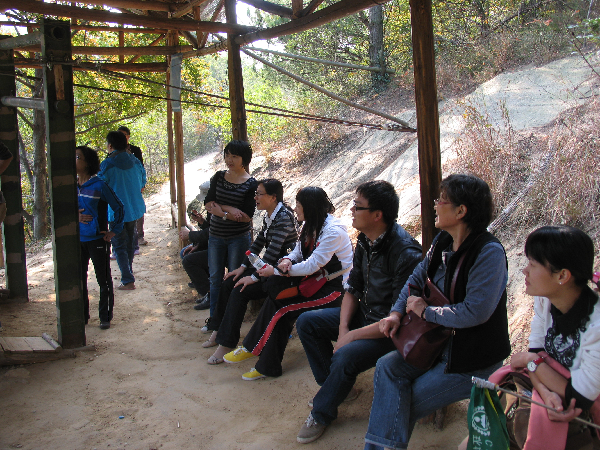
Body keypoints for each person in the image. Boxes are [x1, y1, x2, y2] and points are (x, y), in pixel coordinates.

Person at [364, 173, 511, 450]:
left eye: (441, 200)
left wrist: (426, 312)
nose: (435, 205)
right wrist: (396, 313)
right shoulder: (443, 241)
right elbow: (416, 279)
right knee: (387, 367)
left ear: (461, 211)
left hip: (470, 360)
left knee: (400, 404)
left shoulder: (488, 253)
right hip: (435, 345)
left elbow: (475, 312)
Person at [295, 180, 423, 443]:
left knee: (345, 356)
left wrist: (351, 337)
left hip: (389, 331)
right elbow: (352, 288)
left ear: (377, 215)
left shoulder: (406, 253)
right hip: (366, 315)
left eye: (357, 206)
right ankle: (334, 387)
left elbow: (397, 317)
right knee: (307, 322)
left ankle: (321, 412)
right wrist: (344, 329)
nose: (351, 210)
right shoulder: (365, 239)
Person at [221, 186, 354, 381]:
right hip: (315, 283)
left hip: (333, 290)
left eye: (299, 205)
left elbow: (312, 265)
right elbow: (298, 252)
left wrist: (276, 270)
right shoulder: (311, 223)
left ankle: (251, 348)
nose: (295, 209)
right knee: (277, 299)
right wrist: (287, 260)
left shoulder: (333, 232)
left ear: (310, 207)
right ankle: (268, 366)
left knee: (283, 309)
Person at [505, 225, 600, 448]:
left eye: (533, 264)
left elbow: (579, 398)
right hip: (553, 398)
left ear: (562, 275)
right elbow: (537, 354)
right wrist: (546, 392)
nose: (524, 271)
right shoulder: (545, 300)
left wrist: (530, 361)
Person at [205, 178, 298, 361]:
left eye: (259, 194)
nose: (255, 197)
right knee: (229, 281)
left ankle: (226, 343)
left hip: (281, 274)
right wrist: (242, 267)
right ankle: (217, 329)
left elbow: (271, 254)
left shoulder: (283, 217)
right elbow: (258, 244)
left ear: (273, 197)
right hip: (268, 269)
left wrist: (253, 277)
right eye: (255, 193)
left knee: (240, 289)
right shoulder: (270, 215)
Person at [203, 140, 258, 333]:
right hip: (215, 236)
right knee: (215, 278)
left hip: (238, 238)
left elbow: (246, 217)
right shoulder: (218, 177)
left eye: (234, 156)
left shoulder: (251, 184)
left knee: (233, 279)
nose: (229, 160)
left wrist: (221, 211)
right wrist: (226, 211)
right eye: (227, 155)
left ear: (244, 159)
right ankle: (214, 321)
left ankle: (228, 324)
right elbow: (208, 203)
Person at [76, 145, 124, 330]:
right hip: (78, 240)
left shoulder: (99, 185)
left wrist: (113, 231)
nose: (74, 161)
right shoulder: (71, 186)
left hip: (97, 240)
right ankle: (83, 316)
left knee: (103, 279)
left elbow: (118, 207)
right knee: (79, 280)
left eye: (78, 157)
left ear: (88, 163)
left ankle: (105, 317)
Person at [98, 131, 146, 290]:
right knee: (130, 242)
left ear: (110, 145)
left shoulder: (106, 165)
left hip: (115, 212)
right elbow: (143, 182)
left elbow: (99, 188)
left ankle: (127, 279)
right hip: (134, 209)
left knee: (119, 245)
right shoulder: (135, 161)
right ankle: (128, 272)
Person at [117, 125, 147, 248]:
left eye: (123, 135)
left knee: (137, 208)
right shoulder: (114, 151)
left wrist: (142, 184)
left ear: (128, 137)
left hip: (134, 185)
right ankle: (125, 238)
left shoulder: (135, 150)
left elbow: (141, 168)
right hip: (120, 186)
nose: (121, 137)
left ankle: (139, 236)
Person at [180, 209, 211, 310]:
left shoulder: (219, 210)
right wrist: (202, 221)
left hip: (222, 249)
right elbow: (210, 229)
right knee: (185, 253)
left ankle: (210, 293)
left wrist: (190, 235)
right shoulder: (214, 210)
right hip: (214, 245)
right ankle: (205, 286)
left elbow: (213, 232)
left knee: (188, 261)